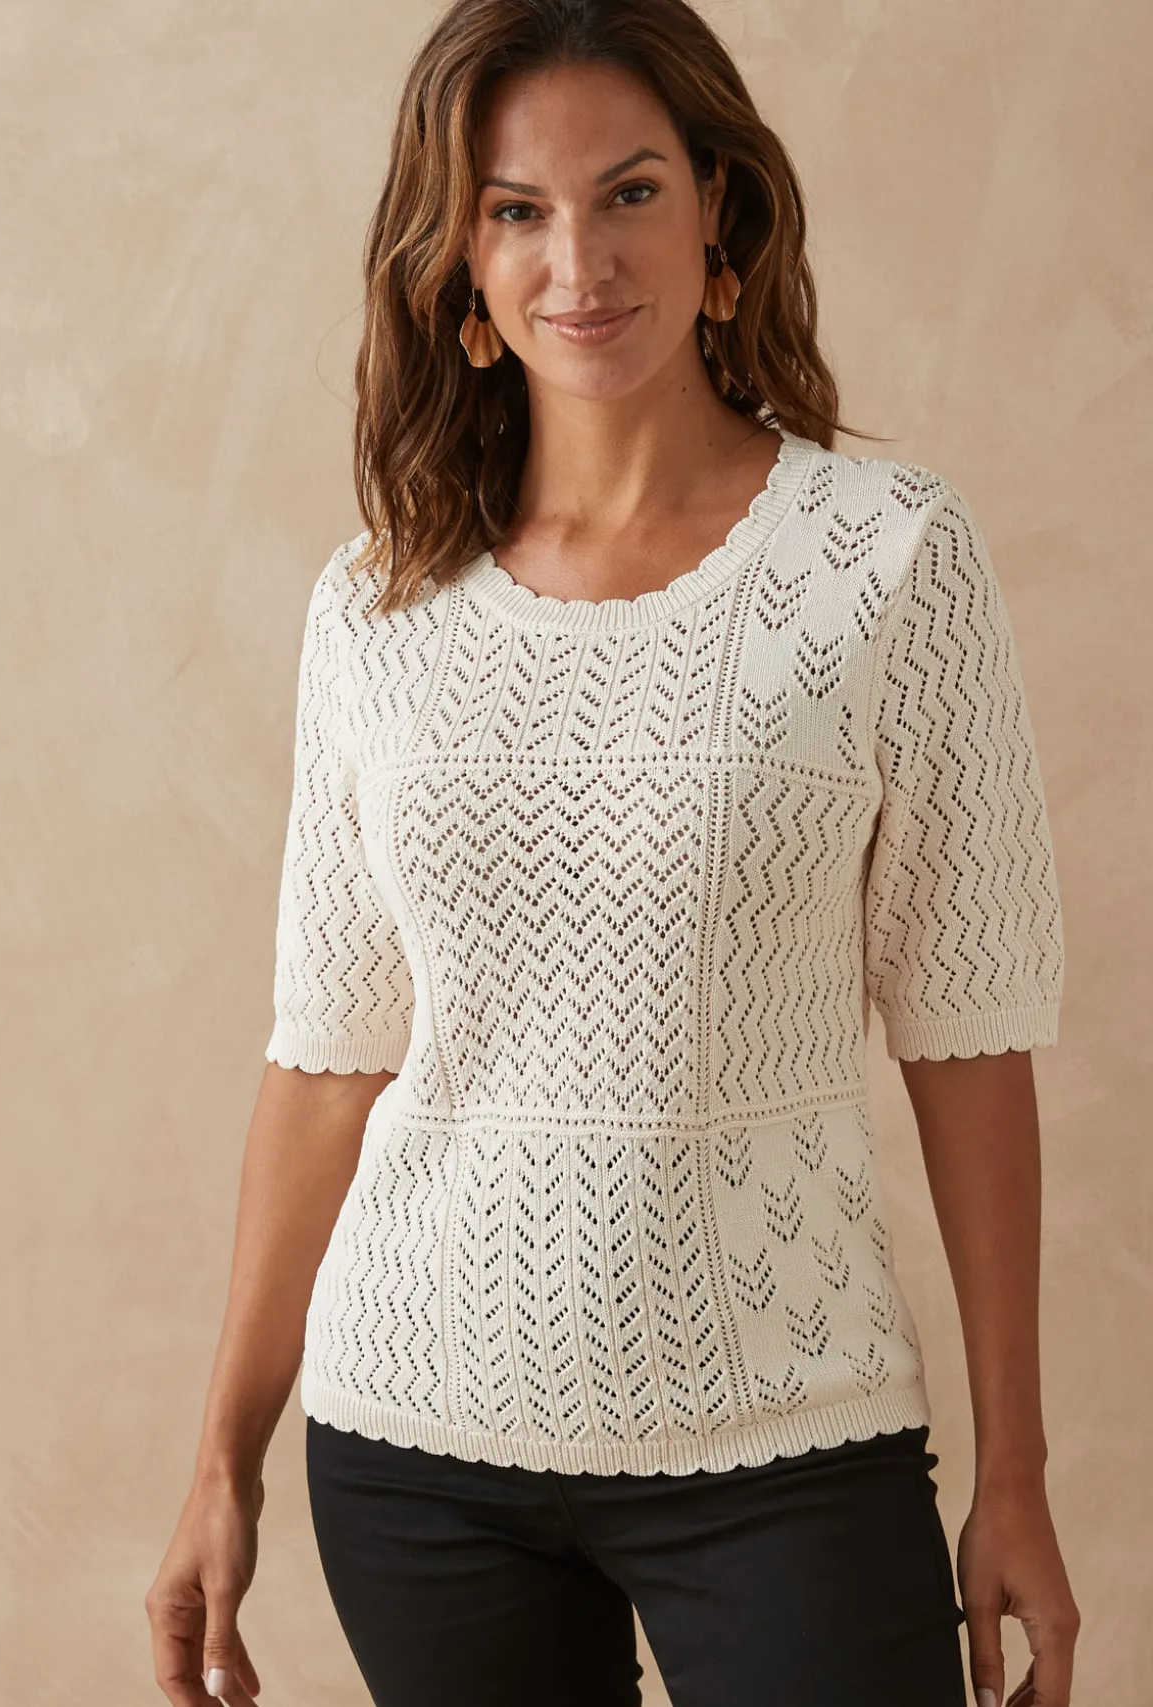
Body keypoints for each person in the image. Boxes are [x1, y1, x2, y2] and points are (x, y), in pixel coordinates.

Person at [145, 2, 1082, 1704]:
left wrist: (1011, 1466)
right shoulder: (377, 604)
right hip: (416, 1445)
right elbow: (328, 1058)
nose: (577, 261)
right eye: (516, 209)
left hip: (787, 1437)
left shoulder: (888, 562)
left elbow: (970, 1037)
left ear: (718, 209)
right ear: (461, 262)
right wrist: (224, 1455)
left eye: (629, 191)